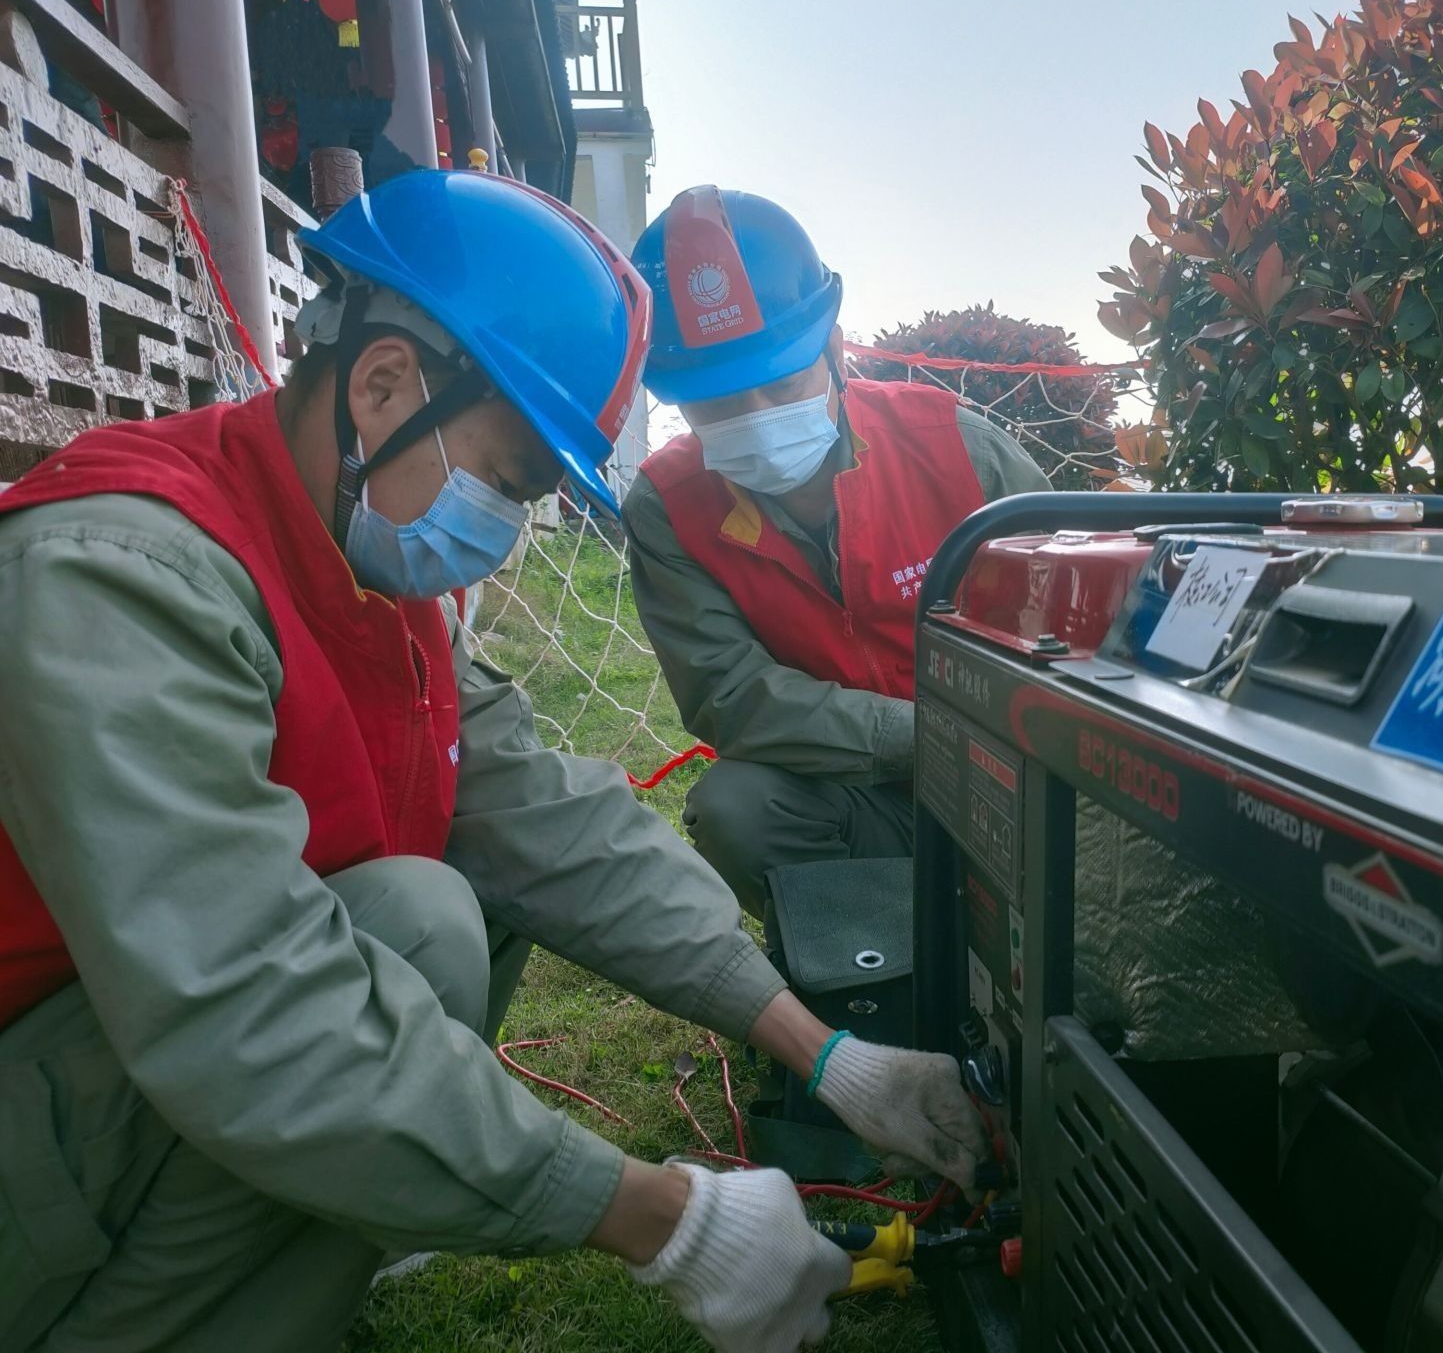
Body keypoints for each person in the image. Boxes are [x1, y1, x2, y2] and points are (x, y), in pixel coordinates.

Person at [0, 170, 986, 1353]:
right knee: (411, 920)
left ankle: (319, 1233)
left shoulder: (372, 574)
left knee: (451, 896)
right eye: (510, 482)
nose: (504, 533)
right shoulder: (120, 581)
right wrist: (663, 1220)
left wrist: (827, 1055)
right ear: (381, 386)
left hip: (104, 1101)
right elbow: (252, 1006)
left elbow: (557, 829)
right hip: (45, 1143)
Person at [624, 188, 1050, 916]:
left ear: (834, 347)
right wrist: (921, 740)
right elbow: (731, 697)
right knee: (735, 808)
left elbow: (1072, 618)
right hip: (853, 796)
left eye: (780, 383)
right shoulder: (666, 508)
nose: (754, 419)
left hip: (1018, 781)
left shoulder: (958, 448)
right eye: (718, 403)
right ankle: (869, 970)